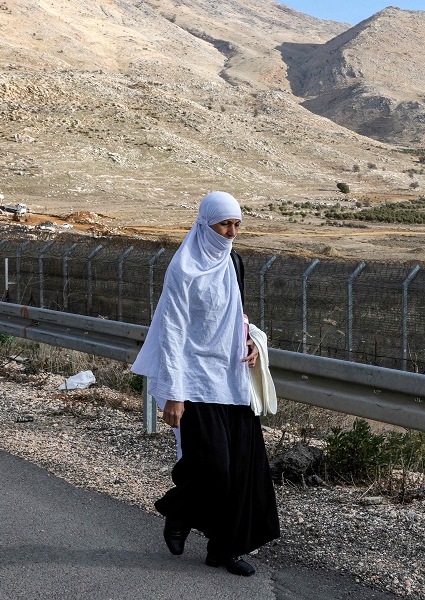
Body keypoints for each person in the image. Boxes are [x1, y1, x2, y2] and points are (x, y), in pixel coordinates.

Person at [131, 191, 280, 577]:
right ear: (205, 224)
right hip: (194, 380)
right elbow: (173, 331)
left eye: (236, 225)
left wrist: (249, 340)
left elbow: (237, 312)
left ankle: (224, 550)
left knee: (244, 470)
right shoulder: (183, 269)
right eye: (223, 225)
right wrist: (174, 395)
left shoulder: (233, 261)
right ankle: (178, 514)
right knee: (213, 467)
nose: (230, 233)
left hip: (232, 378)